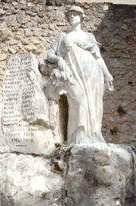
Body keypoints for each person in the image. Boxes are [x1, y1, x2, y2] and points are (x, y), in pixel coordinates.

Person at [46, 6, 114, 144]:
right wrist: (59, 59)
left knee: (95, 105)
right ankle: (77, 139)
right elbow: (49, 54)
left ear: (81, 17)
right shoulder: (63, 36)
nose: (72, 17)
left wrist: (107, 75)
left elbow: (98, 57)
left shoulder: (89, 36)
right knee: (79, 102)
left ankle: (94, 136)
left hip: (93, 75)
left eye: (75, 15)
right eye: (70, 15)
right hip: (74, 74)